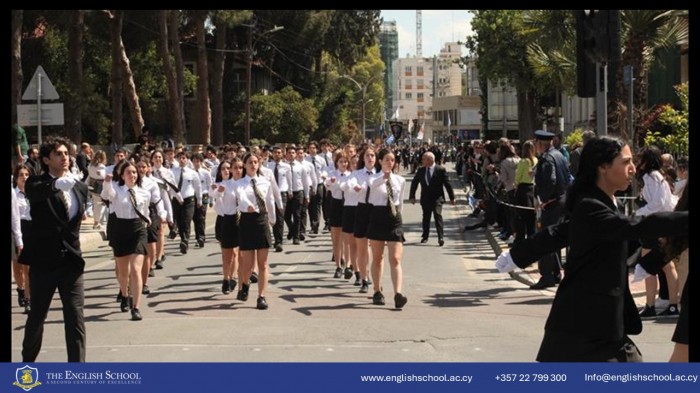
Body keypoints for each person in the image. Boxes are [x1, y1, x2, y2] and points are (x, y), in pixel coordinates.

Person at [497, 136, 688, 362]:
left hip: (602, 327)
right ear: (603, 167)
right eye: (626, 162)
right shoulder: (591, 206)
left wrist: (516, 256)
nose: (633, 169)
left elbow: (557, 234)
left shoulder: (603, 204)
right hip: (581, 328)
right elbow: (638, 226)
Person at [20, 136, 89, 362]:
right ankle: (26, 366)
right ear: (47, 159)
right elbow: (37, 192)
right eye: (58, 154)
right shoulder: (35, 183)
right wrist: (56, 185)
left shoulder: (78, 187)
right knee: (37, 317)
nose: (64, 158)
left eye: (66, 153)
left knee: (75, 316)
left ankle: (78, 371)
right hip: (44, 263)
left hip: (71, 262)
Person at [367, 148, 408, 309]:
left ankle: (398, 294)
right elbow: (371, 189)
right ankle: (377, 291)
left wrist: (399, 218)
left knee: (396, 258)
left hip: (394, 218)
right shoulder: (374, 178)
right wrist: (383, 178)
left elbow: (400, 201)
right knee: (378, 258)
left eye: (392, 160)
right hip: (378, 216)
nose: (389, 163)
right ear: (380, 161)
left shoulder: (400, 180)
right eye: (386, 160)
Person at [530, 129, 570, 289]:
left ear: (540, 144)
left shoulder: (547, 159)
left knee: (545, 239)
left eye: (536, 144)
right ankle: (555, 273)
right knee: (554, 238)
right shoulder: (559, 155)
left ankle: (546, 275)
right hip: (562, 201)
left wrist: (544, 200)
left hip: (552, 204)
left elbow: (551, 181)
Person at [235, 153, 276, 310]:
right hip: (247, 220)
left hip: (261, 221)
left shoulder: (265, 182)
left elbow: (270, 201)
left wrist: (272, 219)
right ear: (244, 165)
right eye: (250, 162)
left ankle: (261, 296)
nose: (253, 165)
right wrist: (248, 205)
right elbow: (241, 197)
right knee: (247, 263)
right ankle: (244, 285)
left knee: (263, 263)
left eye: (255, 162)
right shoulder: (241, 183)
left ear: (259, 164)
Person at [409, 151, 455, 247]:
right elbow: (414, 183)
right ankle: (425, 236)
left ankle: (440, 237)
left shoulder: (440, 170)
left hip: (437, 198)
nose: (422, 161)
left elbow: (447, 184)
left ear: (430, 159)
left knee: (437, 215)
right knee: (426, 217)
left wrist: (452, 198)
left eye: (423, 159)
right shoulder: (421, 170)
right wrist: (412, 196)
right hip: (425, 198)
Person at [13, 165, 33, 314]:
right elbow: (14, 218)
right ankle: (20, 288)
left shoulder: (34, 193)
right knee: (18, 267)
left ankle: (28, 298)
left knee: (28, 267)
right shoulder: (14, 194)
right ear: (16, 177)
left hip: (31, 229)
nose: (24, 177)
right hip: (17, 230)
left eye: (26, 174)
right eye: (21, 174)